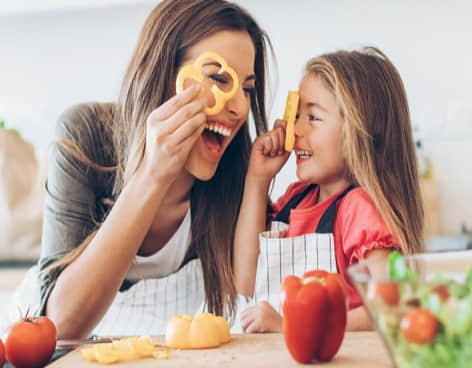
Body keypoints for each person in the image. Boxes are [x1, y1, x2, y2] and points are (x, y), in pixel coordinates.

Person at [34, 0, 271, 339]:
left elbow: (249, 292)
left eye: (247, 89)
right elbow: (61, 327)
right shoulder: (84, 135)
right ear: (162, 74)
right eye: (219, 79)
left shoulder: (238, 172)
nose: (237, 107)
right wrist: (153, 174)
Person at [233, 47, 424, 333]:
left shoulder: (360, 209)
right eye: (296, 116)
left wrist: (293, 325)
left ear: (360, 132)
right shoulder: (295, 199)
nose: (295, 130)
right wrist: (257, 180)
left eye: (313, 117)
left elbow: (393, 307)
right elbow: (246, 281)